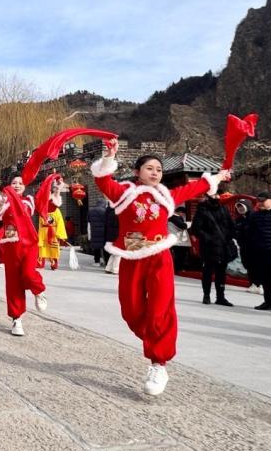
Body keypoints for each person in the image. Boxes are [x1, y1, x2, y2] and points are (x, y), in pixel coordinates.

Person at [90, 139, 230, 396]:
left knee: (160, 309)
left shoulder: (166, 195)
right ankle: (155, 340)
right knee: (131, 310)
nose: (155, 173)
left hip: (159, 257)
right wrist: (109, 156)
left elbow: (195, 187)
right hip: (132, 257)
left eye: (159, 169)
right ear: (137, 171)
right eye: (149, 168)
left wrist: (218, 176)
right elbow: (102, 181)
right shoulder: (124, 192)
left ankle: (159, 363)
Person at [0, 176, 48, 336]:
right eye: (14, 183)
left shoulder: (29, 200)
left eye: (20, 183)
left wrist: (55, 191)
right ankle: (17, 319)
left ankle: (39, 291)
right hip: (11, 246)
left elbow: (45, 205)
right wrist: (1, 201)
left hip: (29, 244)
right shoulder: (4, 202)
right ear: (9, 186)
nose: (17, 185)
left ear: (25, 187)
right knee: (13, 283)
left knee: (29, 274)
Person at [190, 192, 236, 306]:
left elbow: (231, 225)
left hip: (223, 245)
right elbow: (196, 229)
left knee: (221, 272)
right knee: (208, 272)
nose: (216, 197)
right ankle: (206, 295)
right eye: (213, 195)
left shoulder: (224, 209)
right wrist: (208, 238)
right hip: (209, 246)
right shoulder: (202, 210)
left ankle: (221, 297)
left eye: (217, 195)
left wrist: (229, 236)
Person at [37, 184, 67, 270]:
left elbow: (60, 223)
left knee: (53, 248)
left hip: (53, 232)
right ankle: (40, 263)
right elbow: (40, 223)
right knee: (42, 247)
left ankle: (54, 263)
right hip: (43, 231)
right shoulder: (42, 210)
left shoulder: (56, 210)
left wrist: (60, 235)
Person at [234, 199, 261, 293]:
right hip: (244, 247)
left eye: (242, 206)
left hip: (255, 247)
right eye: (238, 207)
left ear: (247, 206)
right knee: (248, 265)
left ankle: (259, 284)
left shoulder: (255, 217)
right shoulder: (238, 220)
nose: (240, 209)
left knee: (256, 265)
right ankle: (252, 284)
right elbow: (235, 232)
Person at [168, 206, 191, 274]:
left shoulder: (174, 217)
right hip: (177, 240)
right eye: (183, 214)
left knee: (180, 255)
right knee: (179, 256)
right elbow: (183, 226)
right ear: (180, 212)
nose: (183, 215)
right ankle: (177, 269)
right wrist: (189, 223)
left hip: (178, 240)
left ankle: (178, 269)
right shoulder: (173, 217)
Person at [88, 200, 108, 266]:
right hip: (104, 232)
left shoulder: (90, 211)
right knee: (105, 248)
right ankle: (106, 262)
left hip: (94, 232)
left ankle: (97, 262)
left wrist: (89, 235)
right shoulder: (105, 211)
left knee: (96, 247)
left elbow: (89, 223)